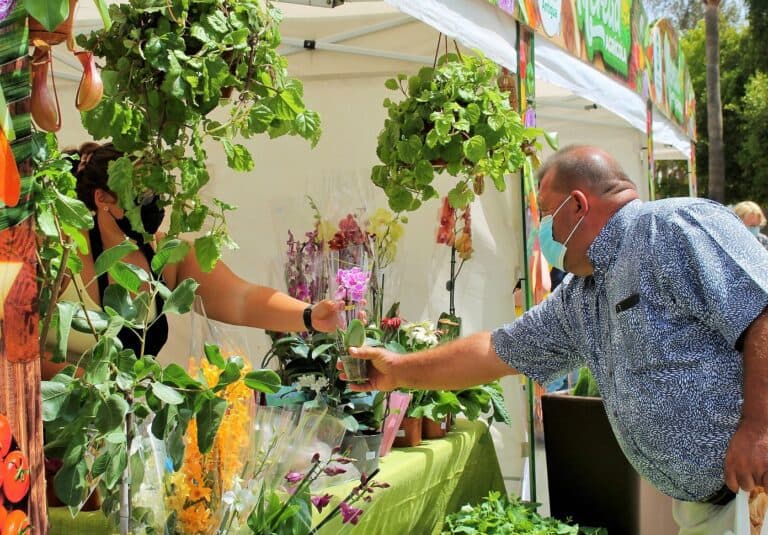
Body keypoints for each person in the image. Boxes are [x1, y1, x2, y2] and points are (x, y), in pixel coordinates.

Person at [342, 145, 768, 535]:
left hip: (756, 490)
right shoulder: (582, 296)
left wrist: (758, 427)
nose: (541, 229)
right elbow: (495, 350)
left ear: (578, 204)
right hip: (706, 506)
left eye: (544, 213)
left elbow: (762, 311)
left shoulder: (671, 228)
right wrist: (398, 370)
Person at [42, 142, 343, 379]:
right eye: (141, 193)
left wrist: (310, 316)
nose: (154, 202)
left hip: (128, 431)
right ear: (102, 198)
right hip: (52, 439)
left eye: (158, 191)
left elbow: (241, 298)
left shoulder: (166, 255)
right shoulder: (64, 253)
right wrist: (90, 383)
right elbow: (16, 355)